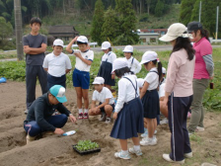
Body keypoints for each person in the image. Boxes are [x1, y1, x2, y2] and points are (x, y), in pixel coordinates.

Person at [159, 23, 195, 164]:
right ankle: (187, 150)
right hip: (188, 93)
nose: (171, 43)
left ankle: (177, 156)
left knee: (175, 126)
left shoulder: (176, 55)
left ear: (177, 40)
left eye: (172, 40)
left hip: (178, 95)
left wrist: (166, 97)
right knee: (182, 124)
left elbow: (170, 79)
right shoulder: (191, 52)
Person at [110, 58, 144, 160]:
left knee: (121, 129)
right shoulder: (133, 76)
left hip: (129, 105)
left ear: (117, 71)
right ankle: (137, 149)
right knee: (134, 128)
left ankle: (124, 153)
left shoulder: (122, 81)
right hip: (137, 103)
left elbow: (121, 98)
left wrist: (116, 111)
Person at [187, 21, 214, 134]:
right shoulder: (196, 43)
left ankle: (191, 130)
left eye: (191, 33)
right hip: (196, 76)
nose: (190, 35)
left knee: (195, 105)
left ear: (198, 32)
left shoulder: (204, 44)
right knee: (198, 102)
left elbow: (209, 63)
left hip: (200, 77)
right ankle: (200, 125)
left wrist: (211, 74)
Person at [22, 17, 48, 114]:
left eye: (38, 25)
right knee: (30, 87)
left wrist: (31, 50)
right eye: (34, 25)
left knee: (45, 87)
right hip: (30, 65)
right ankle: (30, 107)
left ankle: (46, 105)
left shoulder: (43, 37)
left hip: (42, 64)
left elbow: (43, 49)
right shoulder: (25, 38)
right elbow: (26, 50)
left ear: (39, 27)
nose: (36, 27)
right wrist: (38, 49)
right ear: (31, 26)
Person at [66, 36, 94, 120]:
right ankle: (80, 112)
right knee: (78, 94)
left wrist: (80, 56)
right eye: (79, 46)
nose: (81, 48)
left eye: (83, 46)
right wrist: (73, 40)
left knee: (85, 95)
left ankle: (86, 112)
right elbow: (67, 49)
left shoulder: (90, 52)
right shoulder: (77, 51)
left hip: (85, 74)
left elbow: (89, 62)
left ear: (86, 45)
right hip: (76, 73)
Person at [139, 51, 162, 146]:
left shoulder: (150, 74)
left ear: (151, 62)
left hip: (149, 96)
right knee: (152, 118)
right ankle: (151, 135)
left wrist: (139, 99)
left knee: (149, 119)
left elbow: (143, 90)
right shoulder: (157, 71)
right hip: (154, 95)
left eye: (145, 64)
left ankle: (150, 138)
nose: (145, 66)